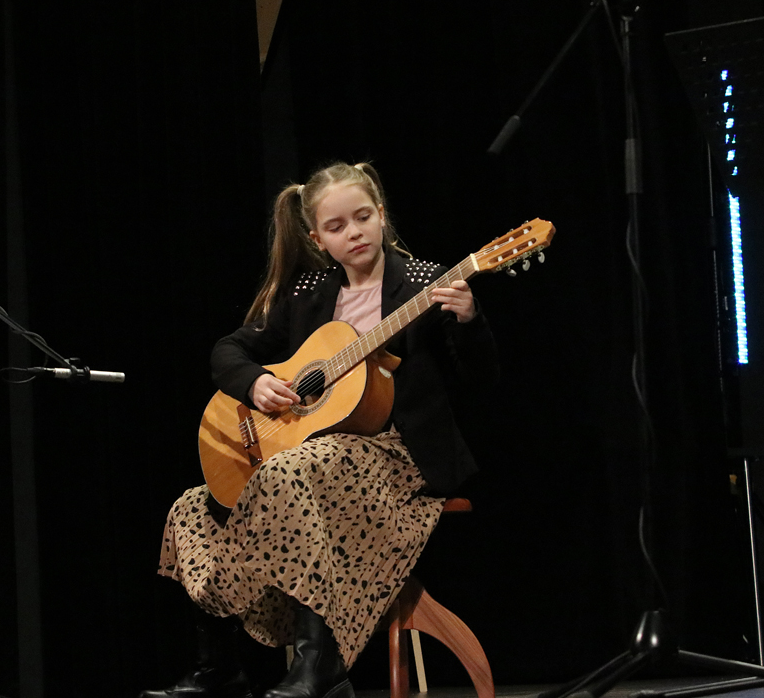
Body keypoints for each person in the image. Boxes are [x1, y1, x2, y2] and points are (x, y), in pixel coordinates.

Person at [144, 162, 499, 698]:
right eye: (336, 226)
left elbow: (482, 379)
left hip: (397, 457)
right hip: (314, 457)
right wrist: (256, 383)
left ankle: (321, 660)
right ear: (317, 239)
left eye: (363, 217)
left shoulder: (427, 282)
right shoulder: (307, 292)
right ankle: (219, 666)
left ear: (382, 215)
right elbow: (228, 350)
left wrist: (470, 321)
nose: (354, 232)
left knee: (290, 470)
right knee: (194, 504)